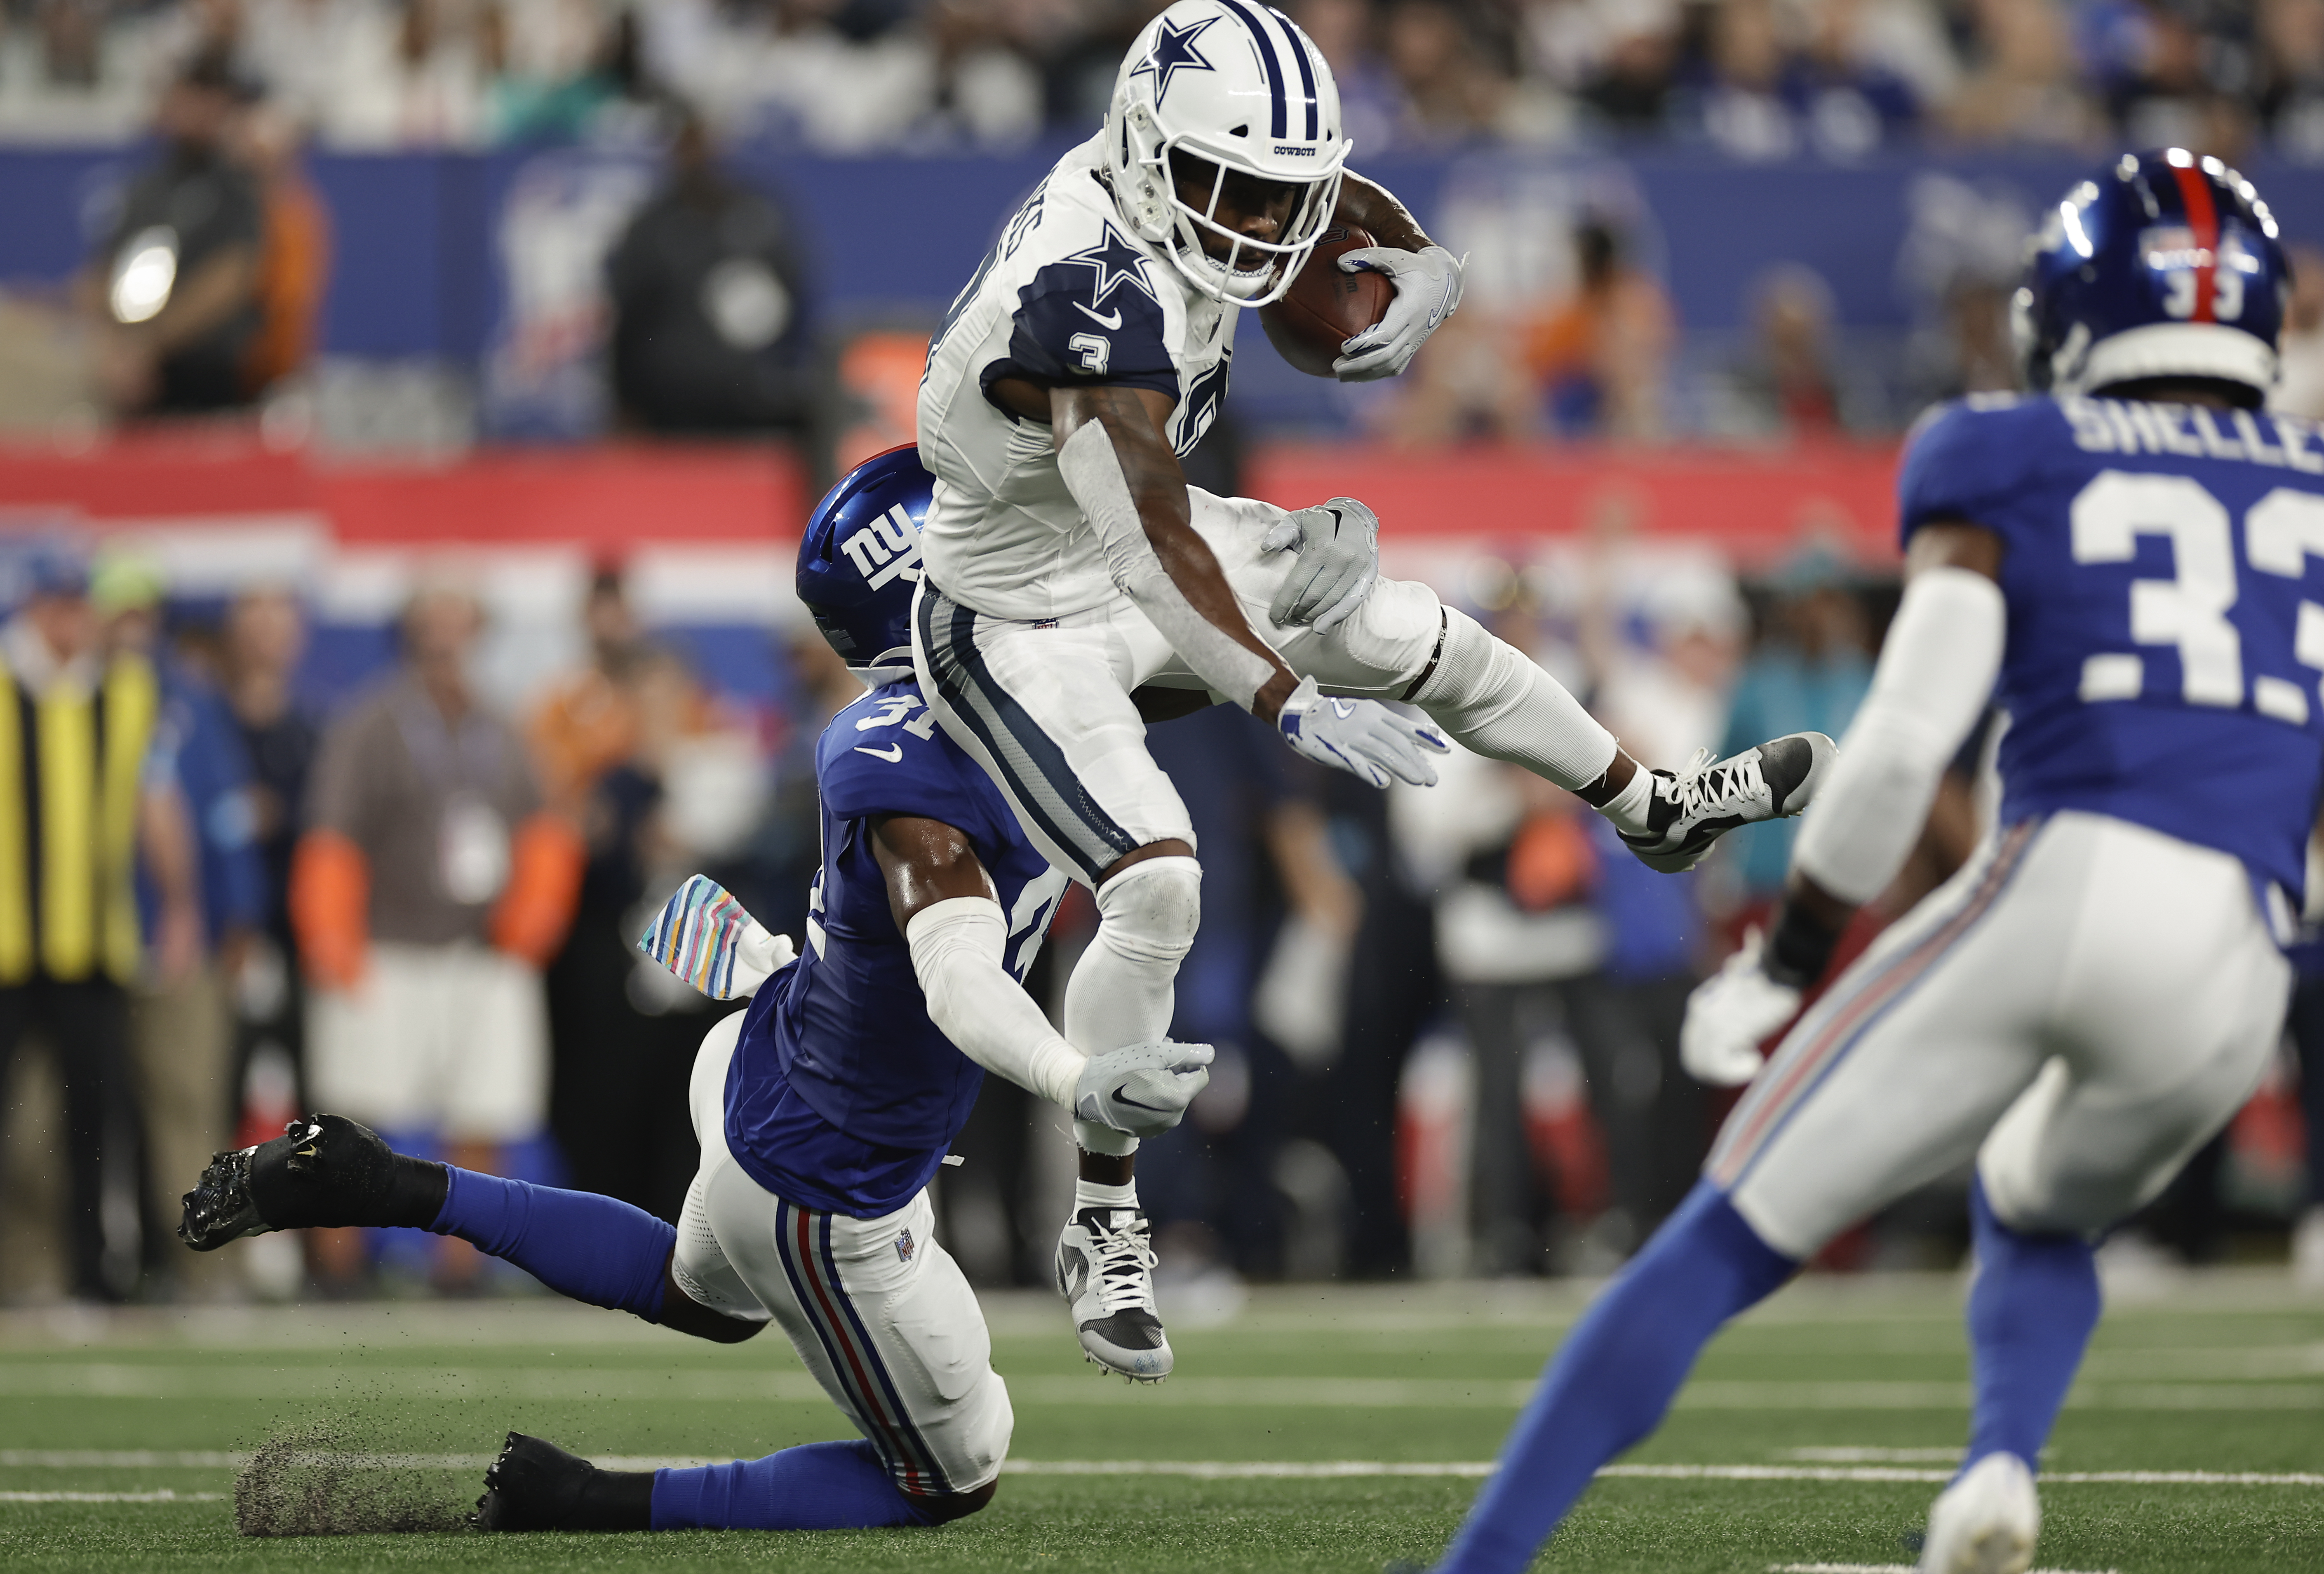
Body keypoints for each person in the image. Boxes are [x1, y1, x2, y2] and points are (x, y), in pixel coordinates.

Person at [1422, 151, 2313, 1574]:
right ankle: (1995, 1469)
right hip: (2234, 956)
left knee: (1723, 1230)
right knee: (2034, 1199)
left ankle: (1475, 1564)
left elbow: (1896, 751)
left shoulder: (2008, 448)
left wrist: (1784, 962)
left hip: (2065, 874)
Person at [912, 0, 1832, 1331]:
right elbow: (1152, 550)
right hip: (1015, 611)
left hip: (1125, 542)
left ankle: (1649, 806)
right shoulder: (1083, 287)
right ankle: (1105, 1214)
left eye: (1273, 193)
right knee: (1159, 881)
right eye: (1228, 188)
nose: (1258, 227)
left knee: (1403, 629)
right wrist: (1285, 697)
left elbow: (1330, 199)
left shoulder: (1201, 191)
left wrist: (1421, 259)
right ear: (1145, 149)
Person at [178, 448, 1217, 1534]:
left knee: (701, 1295)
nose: (1030, 565)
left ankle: (383, 1181)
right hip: (828, 1169)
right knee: (956, 1473)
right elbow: (955, 977)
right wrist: (1073, 1075)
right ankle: (581, 1501)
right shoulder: (924, 782)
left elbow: (1172, 650)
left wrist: (1305, 649)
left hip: (768, 1048)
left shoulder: (994, 695)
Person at [289, 580, 582, 1291]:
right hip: (383, 947)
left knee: (484, 1110)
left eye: (460, 620)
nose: (447, 637)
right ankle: (336, 1271)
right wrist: (331, 933)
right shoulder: (370, 722)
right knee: (352, 1112)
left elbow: (543, 829)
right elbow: (331, 836)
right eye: (434, 620)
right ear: (411, 631)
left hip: (482, 950)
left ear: (479, 632)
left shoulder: (503, 726)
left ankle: (460, 1271)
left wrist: (533, 919)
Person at [0, 539, 201, 1301]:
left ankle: (96, 1275)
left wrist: (179, 903)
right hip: (7, 942)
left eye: (77, 604)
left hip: (93, 942)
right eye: (57, 605)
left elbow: (157, 802)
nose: (69, 620)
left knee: (97, 1117)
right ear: (31, 607)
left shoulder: (126, 693)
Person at [82, 49, 267, 417]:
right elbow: (100, 276)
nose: (196, 112)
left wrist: (148, 346)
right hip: (133, 383)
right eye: (188, 98)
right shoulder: (144, 191)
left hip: (210, 381)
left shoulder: (239, 192)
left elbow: (229, 281)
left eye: (209, 100)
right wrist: (114, 351)